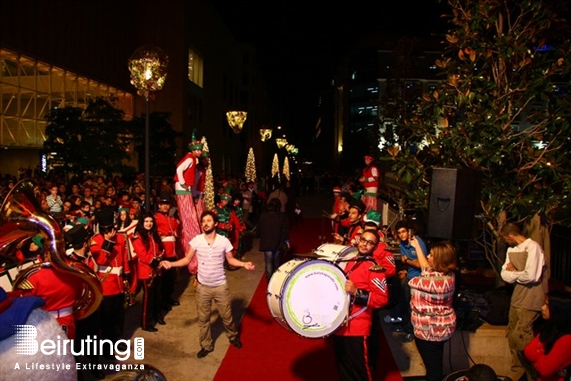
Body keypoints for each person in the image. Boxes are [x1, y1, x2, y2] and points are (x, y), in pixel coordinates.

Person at [159, 211, 255, 359]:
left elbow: (230, 260)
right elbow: (186, 260)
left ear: (215, 224)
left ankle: (233, 336)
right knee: (203, 319)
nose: (205, 223)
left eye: (209, 221)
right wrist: (170, 264)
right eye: (203, 221)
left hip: (220, 286)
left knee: (227, 316)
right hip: (203, 287)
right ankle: (206, 345)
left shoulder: (223, 241)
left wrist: (244, 264)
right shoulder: (196, 240)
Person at [333, 229, 389, 381]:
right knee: (343, 366)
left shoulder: (374, 268)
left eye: (370, 242)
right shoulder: (350, 261)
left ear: (375, 247)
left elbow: (382, 299)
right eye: (363, 240)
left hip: (358, 326)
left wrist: (357, 292)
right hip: (340, 324)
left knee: (360, 371)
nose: (365, 244)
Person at [500, 222, 548, 381]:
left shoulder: (532, 247)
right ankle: (518, 371)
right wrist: (518, 274)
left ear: (510, 236)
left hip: (532, 299)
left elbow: (532, 276)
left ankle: (534, 372)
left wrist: (515, 273)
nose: (506, 241)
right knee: (512, 336)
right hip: (517, 298)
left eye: (505, 238)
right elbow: (504, 275)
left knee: (522, 336)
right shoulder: (511, 250)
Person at [408, 239, 458, 381]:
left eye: (431, 254)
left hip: (429, 331)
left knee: (433, 370)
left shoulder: (431, 282)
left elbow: (413, 281)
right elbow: (426, 268)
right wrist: (417, 246)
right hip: (441, 328)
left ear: (439, 261)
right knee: (435, 362)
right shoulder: (449, 276)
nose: (428, 256)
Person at [384, 220, 428, 343]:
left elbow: (421, 264)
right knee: (403, 299)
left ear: (409, 231)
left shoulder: (418, 243)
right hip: (410, 277)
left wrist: (407, 261)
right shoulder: (402, 244)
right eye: (399, 232)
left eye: (404, 231)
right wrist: (407, 270)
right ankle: (403, 324)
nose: (402, 234)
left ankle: (411, 331)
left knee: (411, 306)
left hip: (419, 280)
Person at [523, 289, 571, 381]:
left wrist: (536, 361)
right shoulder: (548, 327)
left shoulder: (567, 339)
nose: (542, 308)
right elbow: (528, 352)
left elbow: (545, 369)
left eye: (547, 305)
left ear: (558, 311)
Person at [132, 211, 166, 332]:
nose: (149, 223)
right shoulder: (138, 236)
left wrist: (161, 256)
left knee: (157, 295)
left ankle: (157, 316)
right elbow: (142, 254)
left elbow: (160, 249)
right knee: (148, 298)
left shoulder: (154, 234)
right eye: (146, 221)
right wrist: (154, 262)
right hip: (146, 271)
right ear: (142, 222)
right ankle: (146, 323)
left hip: (156, 269)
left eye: (151, 221)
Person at [174, 132, 203, 254]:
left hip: (186, 189)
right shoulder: (190, 158)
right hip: (182, 189)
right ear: (193, 150)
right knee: (188, 216)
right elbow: (179, 168)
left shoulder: (192, 159)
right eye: (198, 150)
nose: (200, 152)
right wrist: (183, 183)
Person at [154, 192, 181, 309]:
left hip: (172, 252)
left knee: (171, 279)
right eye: (163, 204)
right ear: (159, 205)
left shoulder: (171, 218)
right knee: (164, 280)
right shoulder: (155, 218)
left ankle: (168, 298)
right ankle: (162, 301)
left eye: (167, 204)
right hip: (163, 252)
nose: (165, 206)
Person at [257, 198, 289, 282]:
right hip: (277, 242)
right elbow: (284, 231)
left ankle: (269, 280)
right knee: (276, 260)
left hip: (266, 242)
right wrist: (286, 241)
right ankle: (276, 278)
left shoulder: (263, 215)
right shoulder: (281, 217)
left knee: (268, 261)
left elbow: (259, 228)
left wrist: (259, 236)